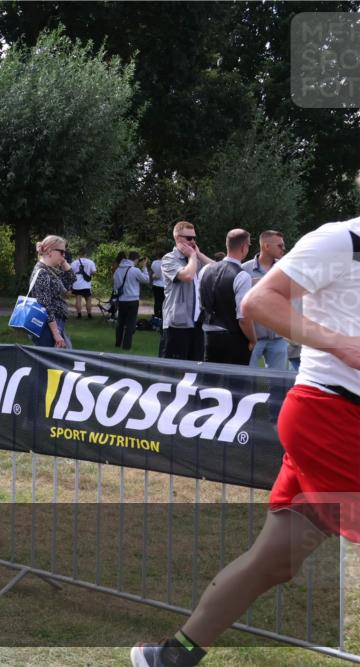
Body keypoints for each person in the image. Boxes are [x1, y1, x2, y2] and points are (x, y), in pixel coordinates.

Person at [130, 217, 360, 667]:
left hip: (339, 419)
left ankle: (172, 656)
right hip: (331, 415)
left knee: (276, 560)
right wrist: (341, 345)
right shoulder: (342, 239)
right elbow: (260, 300)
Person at [160, 221, 215, 361]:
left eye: (194, 238)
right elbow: (187, 276)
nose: (193, 241)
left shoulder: (194, 258)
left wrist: (198, 254)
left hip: (197, 323)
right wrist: (192, 257)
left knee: (194, 370)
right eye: (189, 238)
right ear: (178, 238)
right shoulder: (169, 259)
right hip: (177, 324)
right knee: (173, 371)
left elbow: (218, 271)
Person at [199, 229, 255, 365]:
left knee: (209, 383)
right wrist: (253, 339)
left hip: (207, 335)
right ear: (243, 247)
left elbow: (201, 302)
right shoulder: (242, 276)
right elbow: (243, 317)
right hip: (233, 338)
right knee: (234, 384)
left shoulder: (205, 270)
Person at [243, 230, 288, 369]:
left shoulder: (285, 268)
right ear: (266, 246)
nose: (284, 249)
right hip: (254, 338)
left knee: (278, 382)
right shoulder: (244, 270)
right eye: (280, 246)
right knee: (247, 381)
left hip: (278, 338)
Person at [27, 235, 75, 348]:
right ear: (49, 251)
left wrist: (63, 262)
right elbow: (45, 305)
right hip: (47, 327)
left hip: (54, 324)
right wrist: (56, 334)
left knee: (59, 361)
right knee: (53, 362)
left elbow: (70, 279)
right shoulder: (42, 272)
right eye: (62, 252)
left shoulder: (50, 271)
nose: (64, 256)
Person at [113, 251, 150, 350]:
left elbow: (115, 285)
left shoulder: (118, 270)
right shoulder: (134, 270)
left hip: (121, 300)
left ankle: (118, 343)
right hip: (133, 300)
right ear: (136, 259)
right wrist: (144, 267)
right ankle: (126, 345)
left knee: (120, 322)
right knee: (130, 323)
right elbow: (146, 280)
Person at [70, 250, 97, 319]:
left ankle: (79, 314)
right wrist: (89, 275)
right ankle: (89, 314)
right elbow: (94, 272)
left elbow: (70, 272)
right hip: (87, 284)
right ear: (86, 254)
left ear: (79, 254)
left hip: (77, 284)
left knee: (78, 299)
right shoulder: (90, 262)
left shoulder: (74, 263)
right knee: (88, 299)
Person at [150, 251, 166, 321]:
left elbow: (152, 272)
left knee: (157, 301)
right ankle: (162, 315)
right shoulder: (165, 263)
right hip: (164, 285)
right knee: (163, 301)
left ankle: (157, 314)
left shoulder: (154, 262)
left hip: (155, 284)